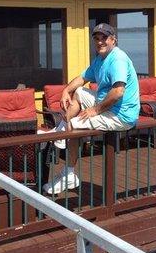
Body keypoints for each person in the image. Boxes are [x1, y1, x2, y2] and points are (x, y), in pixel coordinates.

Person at [43, 23, 140, 194]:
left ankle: (69, 174)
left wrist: (95, 110)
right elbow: (82, 78)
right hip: (108, 106)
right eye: (97, 39)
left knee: (73, 124)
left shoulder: (117, 59)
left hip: (121, 115)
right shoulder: (100, 60)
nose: (100, 42)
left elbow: (118, 92)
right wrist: (66, 90)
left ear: (113, 40)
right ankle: (59, 132)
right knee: (79, 92)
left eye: (104, 38)